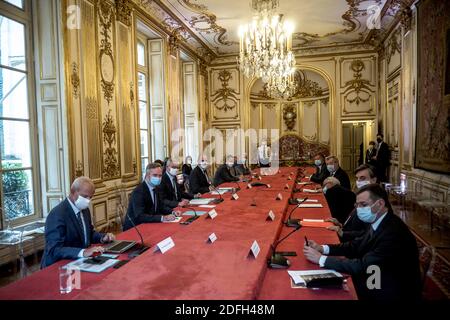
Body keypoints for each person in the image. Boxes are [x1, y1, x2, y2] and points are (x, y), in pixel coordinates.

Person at [304, 184, 422, 300]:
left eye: (363, 205)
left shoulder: (393, 232)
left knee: (327, 292)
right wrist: (322, 248)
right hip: (378, 277)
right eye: (357, 205)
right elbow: (356, 245)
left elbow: (364, 266)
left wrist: (321, 259)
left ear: (380, 204)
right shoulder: (380, 220)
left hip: (390, 289)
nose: (359, 209)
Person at [41, 177, 115, 268]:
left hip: (78, 262)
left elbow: (89, 234)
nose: (88, 200)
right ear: (73, 192)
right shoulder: (57, 214)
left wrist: (103, 237)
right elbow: (54, 249)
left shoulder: (85, 210)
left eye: (90, 197)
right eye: (84, 196)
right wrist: (83, 252)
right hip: (57, 266)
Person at [326, 164, 378, 242]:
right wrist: (340, 224)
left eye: (363, 178)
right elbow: (355, 225)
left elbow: (370, 233)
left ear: (374, 180)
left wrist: (343, 233)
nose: (359, 182)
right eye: (357, 179)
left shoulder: (377, 201)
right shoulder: (360, 196)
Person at [123, 163, 182, 231]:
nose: (158, 178)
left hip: (150, 225)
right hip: (135, 229)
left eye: (160, 176)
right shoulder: (139, 192)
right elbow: (140, 216)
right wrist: (163, 218)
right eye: (155, 175)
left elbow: (161, 207)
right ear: (147, 175)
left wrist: (173, 212)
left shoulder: (156, 188)